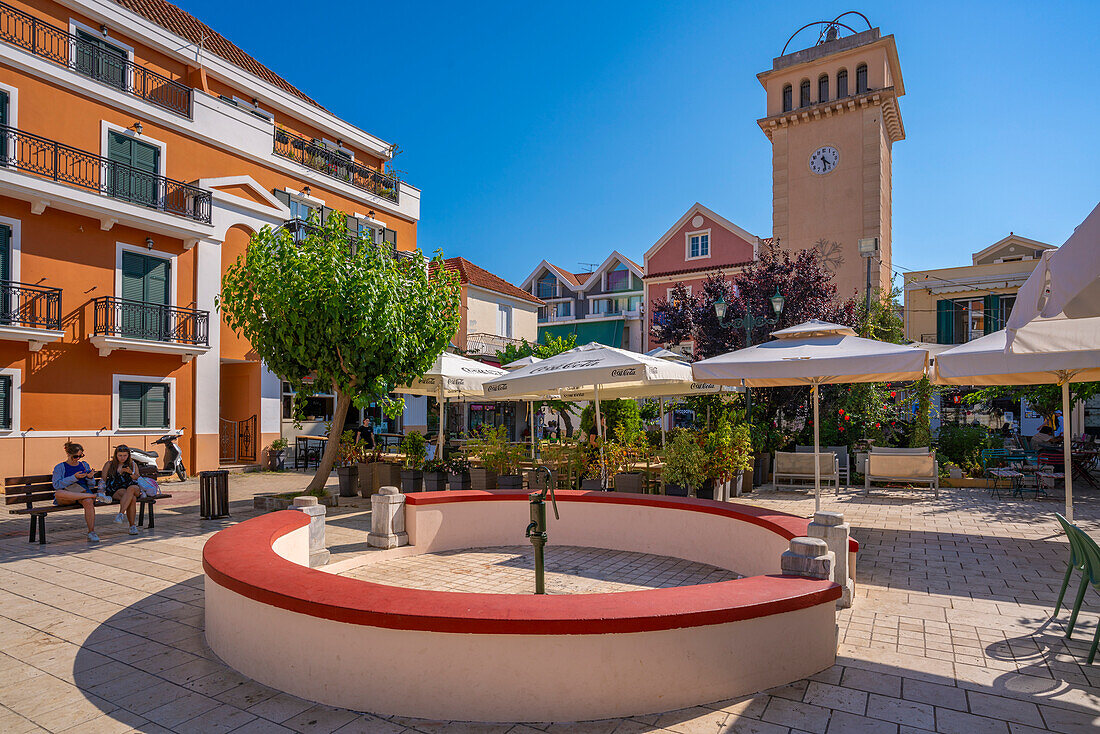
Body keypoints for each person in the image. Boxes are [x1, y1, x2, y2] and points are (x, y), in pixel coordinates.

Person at [52, 441, 104, 542]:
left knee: (88, 501)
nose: (78, 459)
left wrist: (90, 477)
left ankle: (91, 532)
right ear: (68, 454)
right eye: (75, 457)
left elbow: (91, 485)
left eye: (81, 456)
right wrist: (74, 477)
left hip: (83, 493)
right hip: (68, 495)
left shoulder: (84, 465)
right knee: (58, 493)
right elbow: (56, 485)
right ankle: (95, 496)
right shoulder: (60, 467)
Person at [101, 445, 141, 536]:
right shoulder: (109, 464)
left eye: (125, 455)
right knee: (132, 499)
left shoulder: (132, 464)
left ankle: (121, 514)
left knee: (131, 489)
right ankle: (132, 526)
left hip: (133, 487)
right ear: (116, 455)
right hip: (117, 489)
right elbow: (103, 479)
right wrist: (101, 492)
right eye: (120, 455)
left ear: (128, 455)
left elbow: (137, 478)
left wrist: (130, 472)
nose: (122, 458)